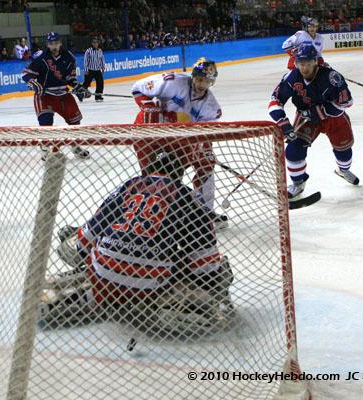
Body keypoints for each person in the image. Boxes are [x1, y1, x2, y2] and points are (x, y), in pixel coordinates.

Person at [48, 151, 234, 333]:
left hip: (102, 276)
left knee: (95, 254)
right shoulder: (188, 196)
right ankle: (171, 304)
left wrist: (85, 252)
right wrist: (215, 278)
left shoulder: (130, 185)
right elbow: (204, 263)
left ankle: (85, 296)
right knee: (212, 267)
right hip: (149, 285)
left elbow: (86, 237)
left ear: (149, 168)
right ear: (179, 174)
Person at [130, 58, 225, 225]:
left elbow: (203, 135)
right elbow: (137, 88)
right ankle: (145, 212)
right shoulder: (172, 82)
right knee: (151, 176)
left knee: (205, 164)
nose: (201, 84)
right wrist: (150, 106)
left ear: (212, 81)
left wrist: (204, 150)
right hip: (148, 135)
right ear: (193, 76)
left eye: (206, 81)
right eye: (199, 78)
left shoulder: (211, 107)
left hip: (179, 139)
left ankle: (203, 212)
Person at [268, 43, 358, 200]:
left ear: (316, 62)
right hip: (306, 118)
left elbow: (347, 103)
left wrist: (321, 111)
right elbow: (275, 100)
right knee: (293, 151)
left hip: (333, 119)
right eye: (301, 63)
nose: (304, 68)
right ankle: (298, 183)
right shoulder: (291, 77)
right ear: (296, 63)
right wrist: (284, 124)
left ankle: (343, 170)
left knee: (344, 151)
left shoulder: (331, 77)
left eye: (308, 63)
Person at [21, 32, 89, 159]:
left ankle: (74, 145)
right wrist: (34, 83)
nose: (54, 46)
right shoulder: (41, 57)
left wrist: (79, 87)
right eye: (51, 44)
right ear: (47, 44)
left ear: (60, 43)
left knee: (75, 121)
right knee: (46, 123)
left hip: (63, 94)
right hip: (45, 95)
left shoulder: (69, 57)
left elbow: (70, 79)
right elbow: (26, 74)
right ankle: (45, 149)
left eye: (56, 43)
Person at [82, 36, 105, 102]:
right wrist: (86, 70)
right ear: (92, 43)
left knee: (100, 83)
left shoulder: (100, 51)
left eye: (97, 42)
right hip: (90, 70)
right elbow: (85, 60)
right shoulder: (88, 51)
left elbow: (102, 59)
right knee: (86, 84)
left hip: (97, 70)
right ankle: (81, 94)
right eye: (94, 42)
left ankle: (98, 96)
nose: (95, 44)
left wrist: (103, 67)